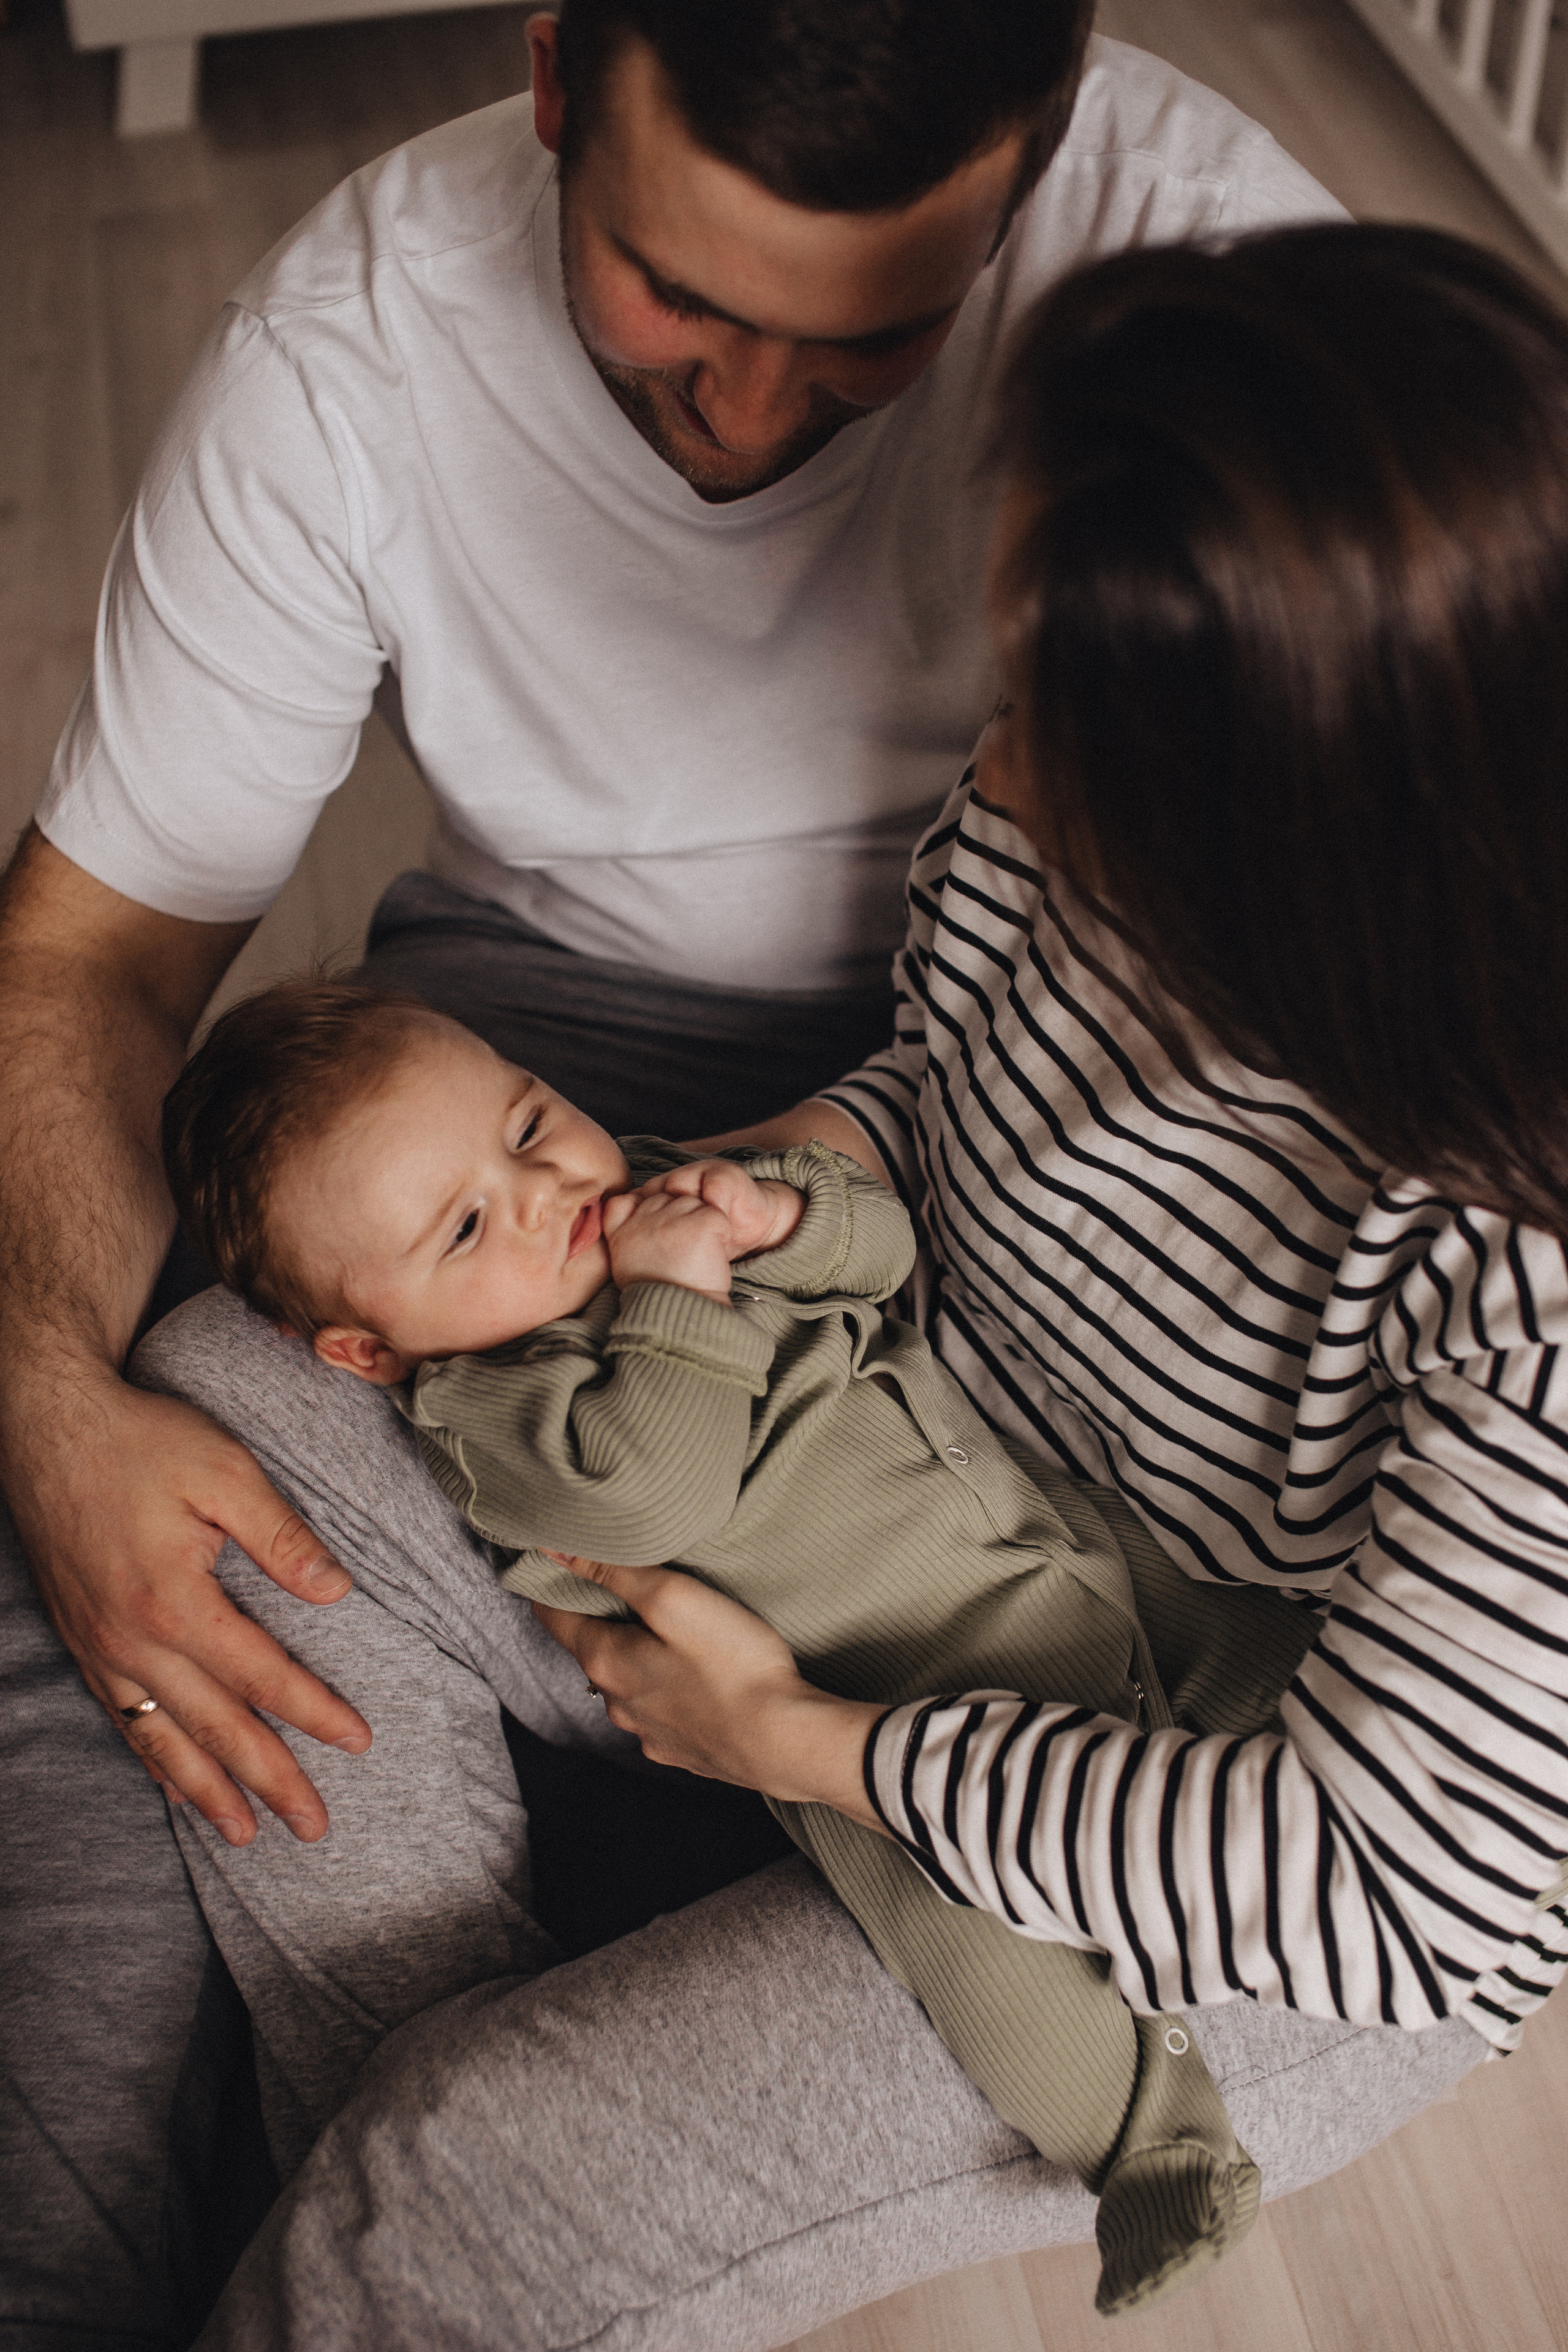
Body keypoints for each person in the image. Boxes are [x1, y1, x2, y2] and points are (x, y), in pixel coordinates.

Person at [0, 2, 1343, 2340]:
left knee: (483, 2145)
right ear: (552, 73)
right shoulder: (356, 340)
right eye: (677, 297)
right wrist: (51, 1408)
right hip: (580, 1063)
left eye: (868, 343)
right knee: (114, 1562)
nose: (742, 417)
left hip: (1060, 1116)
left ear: (1036, 167)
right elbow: (91, 952)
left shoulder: (1217, 309)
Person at [163, 977, 1325, 2309]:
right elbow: (655, 1485)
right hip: (889, 1693)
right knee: (989, 1946)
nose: (548, 1193)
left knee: (1261, 1674)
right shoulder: (499, 1408)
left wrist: (780, 1216)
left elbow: (879, 1255)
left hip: (1061, 1564)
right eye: (471, 1223)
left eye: (528, 1126)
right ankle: (1152, 2145)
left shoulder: (650, 1195)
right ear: (371, 1352)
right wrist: (674, 1291)